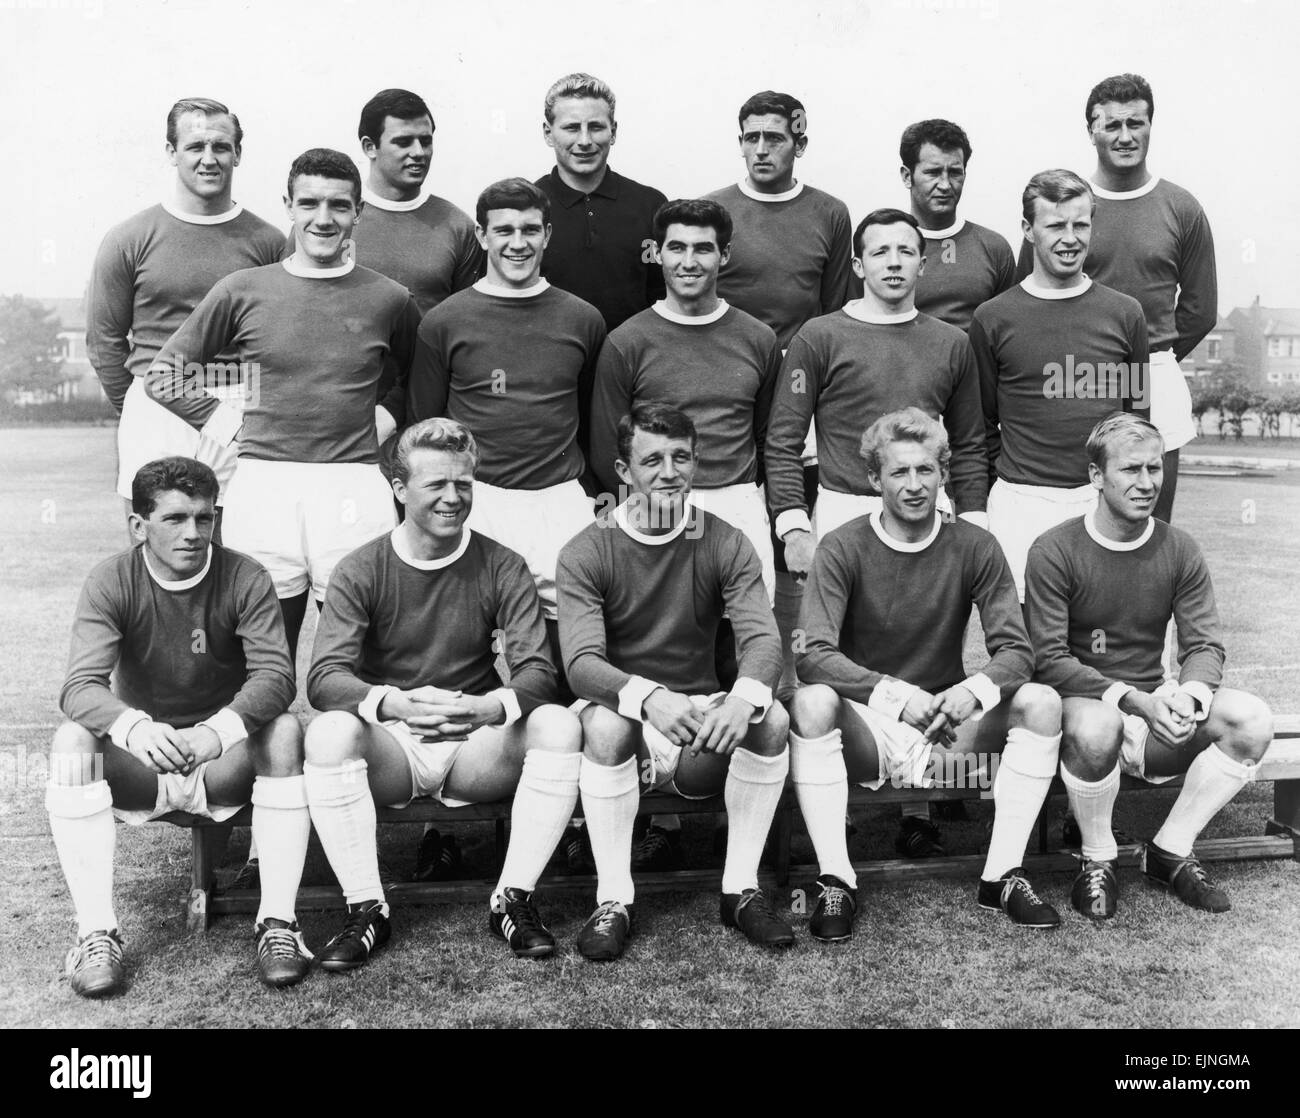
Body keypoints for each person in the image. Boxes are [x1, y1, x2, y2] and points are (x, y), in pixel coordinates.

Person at [304, 419, 583, 966]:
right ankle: (367, 909)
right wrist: (393, 703)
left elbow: (538, 671)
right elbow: (324, 676)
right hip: (394, 743)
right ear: (399, 488)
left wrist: (488, 707)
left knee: (560, 723)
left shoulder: (502, 563)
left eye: (464, 484)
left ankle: (513, 899)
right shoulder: (361, 568)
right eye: (436, 485)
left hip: (473, 744)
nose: (452, 498)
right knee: (331, 731)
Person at [789, 409, 1061, 937]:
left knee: (1042, 701)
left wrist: (972, 692)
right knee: (811, 701)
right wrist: (895, 695)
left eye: (926, 471)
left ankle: (1002, 874)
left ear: (943, 475)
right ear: (874, 479)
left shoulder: (976, 545)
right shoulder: (842, 546)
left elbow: (1017, 651)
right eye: (898, 473)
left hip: (947, 734)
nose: (914, 485)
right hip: (868, 728)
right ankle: (835, 882)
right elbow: (811, 654)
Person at [145, 148, 421, 658]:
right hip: (264, 486)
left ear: (358, 211)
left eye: (339, 205)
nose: (323, 218)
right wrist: (227, 421)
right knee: (260, 659)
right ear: (288, 207)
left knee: (369, 655)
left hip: (353, 487)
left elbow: (420, 375)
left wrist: (388, 414)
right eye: (309, 203)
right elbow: (163, 375)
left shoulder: (390, 297)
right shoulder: (242, 289)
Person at [49, 458, 307, 997]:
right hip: (145, 762)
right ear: (138, 526)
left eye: (204, 517)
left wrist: (216, 732)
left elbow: (277, 678)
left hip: (221, 762)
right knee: (74, 743)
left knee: (283, 730)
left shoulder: (245, 575)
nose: (193, 532)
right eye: (174, 519)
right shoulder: (111, 579)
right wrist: (136, 728)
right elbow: (79, 687)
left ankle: (279, 923)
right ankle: (96, 934)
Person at [558, 404, 793, 961]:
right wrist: (648, 697)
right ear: (623, 471)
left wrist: (743, 701)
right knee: (611, 721)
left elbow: (764, 641)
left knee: (773, 717)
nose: (669, 472)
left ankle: (741, 890)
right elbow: (582, 665)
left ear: (696, 463)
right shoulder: (587, 548)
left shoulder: (726, 540)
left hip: (698, 724)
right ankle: (614, 898)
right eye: (653, 460)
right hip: (626, 720)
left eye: (681, 457)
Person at [590, 197, 782, 871]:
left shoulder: (757, 338)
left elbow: (770, 434)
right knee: (652, 635)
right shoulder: (628, 339)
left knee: (739, 652)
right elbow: (605, 439)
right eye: (677, 248)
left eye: (704, 249)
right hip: (655, 497)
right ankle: (662, 813)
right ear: (658, 255)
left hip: (732, 495)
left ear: (724, 257)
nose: (690, 261)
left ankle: (737, 803)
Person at [1026, 413, 1272, 918]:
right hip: (1085, 714)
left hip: (1152, 708)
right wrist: (1132, 697)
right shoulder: (1054, 549)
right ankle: (1097, 859)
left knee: (1251, 720)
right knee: (1100, 724)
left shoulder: (1178, 547)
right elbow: (1048, 659)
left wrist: (1190, 695)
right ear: (1096, 476)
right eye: (1130, 470)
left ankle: (1170, 850)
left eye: (1154, 469)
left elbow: (1204, 644)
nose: (1146, 483)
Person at [406, 177, 604, 641]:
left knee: (568, 657)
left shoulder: (583, 318)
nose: (519, 243)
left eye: (531, 230)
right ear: (481, 236)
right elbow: (424, 425)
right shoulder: (445, 321)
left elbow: (596, 419)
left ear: (547, 235)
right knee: (461, 647)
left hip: (558, 500)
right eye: (504, 231)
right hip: (478, 498)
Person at [705, 90, 855, 702]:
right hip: (731, 387)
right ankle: (726, 684)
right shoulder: (714, 209)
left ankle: (795, 687)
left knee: (796, 533)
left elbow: (836, 312)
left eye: (775, 137)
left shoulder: (829, 212)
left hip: (799, 393)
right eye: (751, 137)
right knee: (727, 538)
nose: (762, 148)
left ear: (800, 142)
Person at [1017, 75, 1215, 522]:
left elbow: (1201, 309)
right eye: (1111, 126)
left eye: (1136, 123)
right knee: (1068, 517)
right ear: (1092, 131)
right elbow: (1025, 295)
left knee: (1145, 525)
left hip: (1152, 371)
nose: (1125, 136)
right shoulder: (1063, 206)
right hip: (1072, 373)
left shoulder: (1181, 207)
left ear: (1150, 126)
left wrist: (1143, 358)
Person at [86, 98, 283, 532]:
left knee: (240, 553)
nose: (209, 159)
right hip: (157, 410)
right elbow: (104, 343)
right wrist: (142, 407)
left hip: (239, 407)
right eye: (195, 147)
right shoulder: (129, 238)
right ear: (172, 152)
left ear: (238, 153)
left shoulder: (269, 242)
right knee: (157, 557)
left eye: (221, 146)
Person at [766, 208, 988, 564]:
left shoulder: (951, 343)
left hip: (927, 512)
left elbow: (971, 445)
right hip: (845, 511)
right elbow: (782, 441)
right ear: (858, 266)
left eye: (906, 252)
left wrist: (975, 522)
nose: (894, 263)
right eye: (880, 252)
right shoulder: (818, 337)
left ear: (923, 264)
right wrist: (794, 530)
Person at [972, 169, 1149, 603]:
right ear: (1028, 230)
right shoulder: (992, 319)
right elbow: (980, 426)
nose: (1070, 238)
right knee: (1028, 657)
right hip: (1023, 505)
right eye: (1055, 226)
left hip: (1101, 502)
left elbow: (1136, 422)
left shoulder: (1126, 314)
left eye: (1080, 224)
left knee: (1112, 648)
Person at [534, 73, 666, 332]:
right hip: (551, 365)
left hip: (632, 363)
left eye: (596, 127)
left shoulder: (651, 205)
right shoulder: (526, 207)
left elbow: (664, 295)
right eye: (571, 128)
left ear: (613, 131)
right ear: (548, 133)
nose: (584, 141)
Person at [350, 88, 482, 316]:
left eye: (425, 141)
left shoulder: (458, 226)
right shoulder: (330, 220)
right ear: (369, 147)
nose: (419, 152)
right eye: (403, 142)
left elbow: (466, 322)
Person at [899, 118, 1016, 334]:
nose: (945, 185)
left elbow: (1009, 331)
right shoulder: (885, 248)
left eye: (954, 173)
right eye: (933, 173)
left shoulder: (993, 248)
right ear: (907, 176)